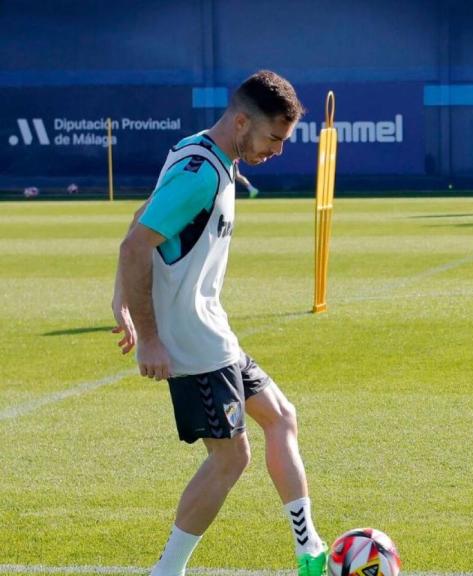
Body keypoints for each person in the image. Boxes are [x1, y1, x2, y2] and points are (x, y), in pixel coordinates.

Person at [111, 70, 328, 576]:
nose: (277, 151)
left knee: (281, 415)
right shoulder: (202, 172)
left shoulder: (207, 155)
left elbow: (143, 217)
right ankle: (167, 572)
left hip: (212, 331)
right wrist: (150, 338)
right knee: (230, 459)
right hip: (190, 341)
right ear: (240, 121)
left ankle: (308, 550)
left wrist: (119, 300)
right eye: (273, 137)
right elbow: (134, 245)